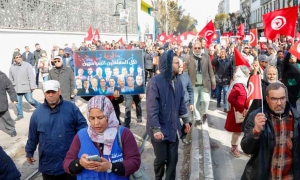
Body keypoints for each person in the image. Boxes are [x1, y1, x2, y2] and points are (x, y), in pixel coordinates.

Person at [63, 96, 140, 179]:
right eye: (92, 118)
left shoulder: (123, 134)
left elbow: (135, 162)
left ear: (109, 115)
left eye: (100, 117)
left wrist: (111, 167)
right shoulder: (81, 135)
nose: (96, 123)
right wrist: (80, 163)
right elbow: (67, 163)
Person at [25, 80, 87, 180]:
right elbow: (33, 136)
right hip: (48, 165)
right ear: (44, 93)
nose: (51, 95)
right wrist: (29, 151)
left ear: (59, 91)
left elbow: (83, 129)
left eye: (53, 92)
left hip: (69, 162)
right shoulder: (37, 113)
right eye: (48, 92)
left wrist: (85, 148)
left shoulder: (71, 108)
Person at [146, 50, 191, 179]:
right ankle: (158, 177)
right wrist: (155, 128)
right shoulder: (155, 82)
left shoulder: (178, 82)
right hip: (158, 130)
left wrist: (186, 120)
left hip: (173, 128)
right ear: (168, 64)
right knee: (161, 159)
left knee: (173, 160)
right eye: (177, 63)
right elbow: (151, 108)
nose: (180, 65)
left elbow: (181, 103)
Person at [241, 82, 300, 179]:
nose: (279, 103)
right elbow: (246, 149)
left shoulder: (296, 118)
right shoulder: (255, 117)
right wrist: (255, 132)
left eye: (282, 98)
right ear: (267, 99)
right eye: (274, 99)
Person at [184, 42, 216, 124]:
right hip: (193, 84)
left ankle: (204, 113)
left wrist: (213, 82)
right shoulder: (188, 58)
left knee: (206, 100)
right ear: (193, 49)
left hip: (205, 83)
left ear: (201, 48)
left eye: (199, 48)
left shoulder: (206, 57)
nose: (197, 49)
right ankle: (197, 118)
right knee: (195, 103)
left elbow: (210, 70)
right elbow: (185, 72)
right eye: (195, 48)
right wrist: (185, 84)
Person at [224, 66, 250, 157]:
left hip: (246, 111)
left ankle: (247, 149)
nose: (249, 74)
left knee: (247, 131)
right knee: (237, 132)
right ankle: (234, 148)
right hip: (238, 112)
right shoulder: (238, 84)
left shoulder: (245, 83)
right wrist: (241, 109)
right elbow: (231, 98)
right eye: (247, 73)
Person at [9, 52, 40, 121]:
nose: (19, 58)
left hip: (26, 87)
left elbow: (31, 76)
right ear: (14, 59)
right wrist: (12, 87)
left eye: (20, 56)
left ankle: (41, 107)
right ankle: (20, 115)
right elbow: (10, 79)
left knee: (30, 100)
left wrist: (32, 86)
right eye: (16, 57)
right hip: (16, 88)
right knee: (17, 103)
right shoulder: (11, 67)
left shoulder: (27, 65)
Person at [0, 70, 17, 137]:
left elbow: (10, 87)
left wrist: (13, 99)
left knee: (6, 117)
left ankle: (11, 129)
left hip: (1, 102)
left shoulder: (2, 76)